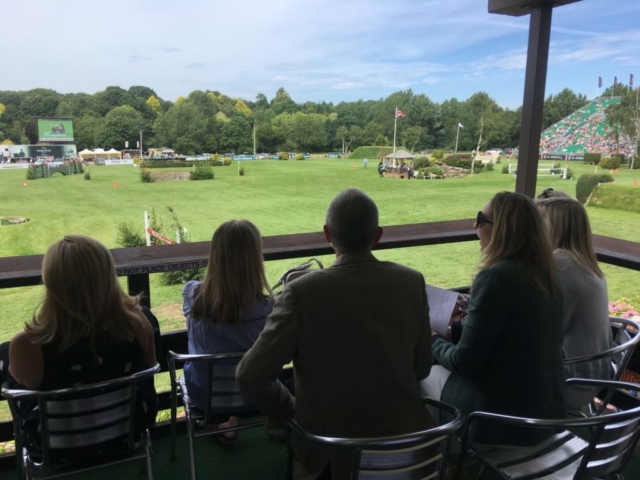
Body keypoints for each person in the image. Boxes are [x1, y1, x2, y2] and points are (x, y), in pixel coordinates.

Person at [237, 189, 434, 480]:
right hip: (408, 453)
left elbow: (250, 375)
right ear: (377, 235)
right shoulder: (411, 281)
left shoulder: (301, 292)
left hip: (331, 454)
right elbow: (422, 367)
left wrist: (289, 408)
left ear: (327, 234)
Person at [422, 192, 566, 446]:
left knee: (422, 374)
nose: (474, 226)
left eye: (480, 219)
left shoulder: (497, 277)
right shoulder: (545, 273)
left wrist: (431, 337)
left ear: (503, 228)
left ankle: (449, 458)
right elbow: (510, 338)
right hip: (543, 412)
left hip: (499, 418)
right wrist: (456, 330)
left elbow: (464, 362)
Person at [1, 235, 159, 457]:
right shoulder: (141, 322)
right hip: (127, 430)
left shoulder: (29, 343)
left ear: (52, 282)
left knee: (5, 357)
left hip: (55, 444)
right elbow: (148, 368)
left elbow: (19, 383)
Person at [182, 219, 274, 442]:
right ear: (255, 258)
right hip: (256, 397)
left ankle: (228, 422)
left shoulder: (191, 295)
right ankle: (232, 420)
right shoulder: (270, 308)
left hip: (204, 396)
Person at [536, 196, 613, 408]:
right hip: (594, 376)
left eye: (537, 221)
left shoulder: (557, 265)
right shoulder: (586, 264)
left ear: (552, 227)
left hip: (568, 385)